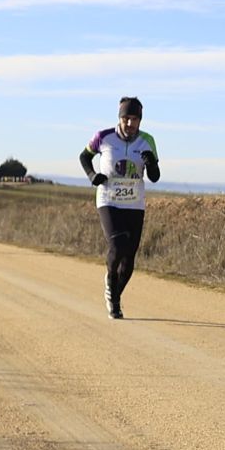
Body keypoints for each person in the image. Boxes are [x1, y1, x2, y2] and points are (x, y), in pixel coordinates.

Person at [80, 97, 160, 319]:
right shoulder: (103, 137)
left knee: (130, 259)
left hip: (134, 204)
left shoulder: (148, 141)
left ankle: (113, 293)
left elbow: (154, 177)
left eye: (134, 119)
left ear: (140, 121)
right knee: (117, 246)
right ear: (119, 118)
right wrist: (92, 175)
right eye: (126, 118)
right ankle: (113, 296)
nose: (130, 124)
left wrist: (152, 163)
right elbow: (84, 156)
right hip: (109, 199)